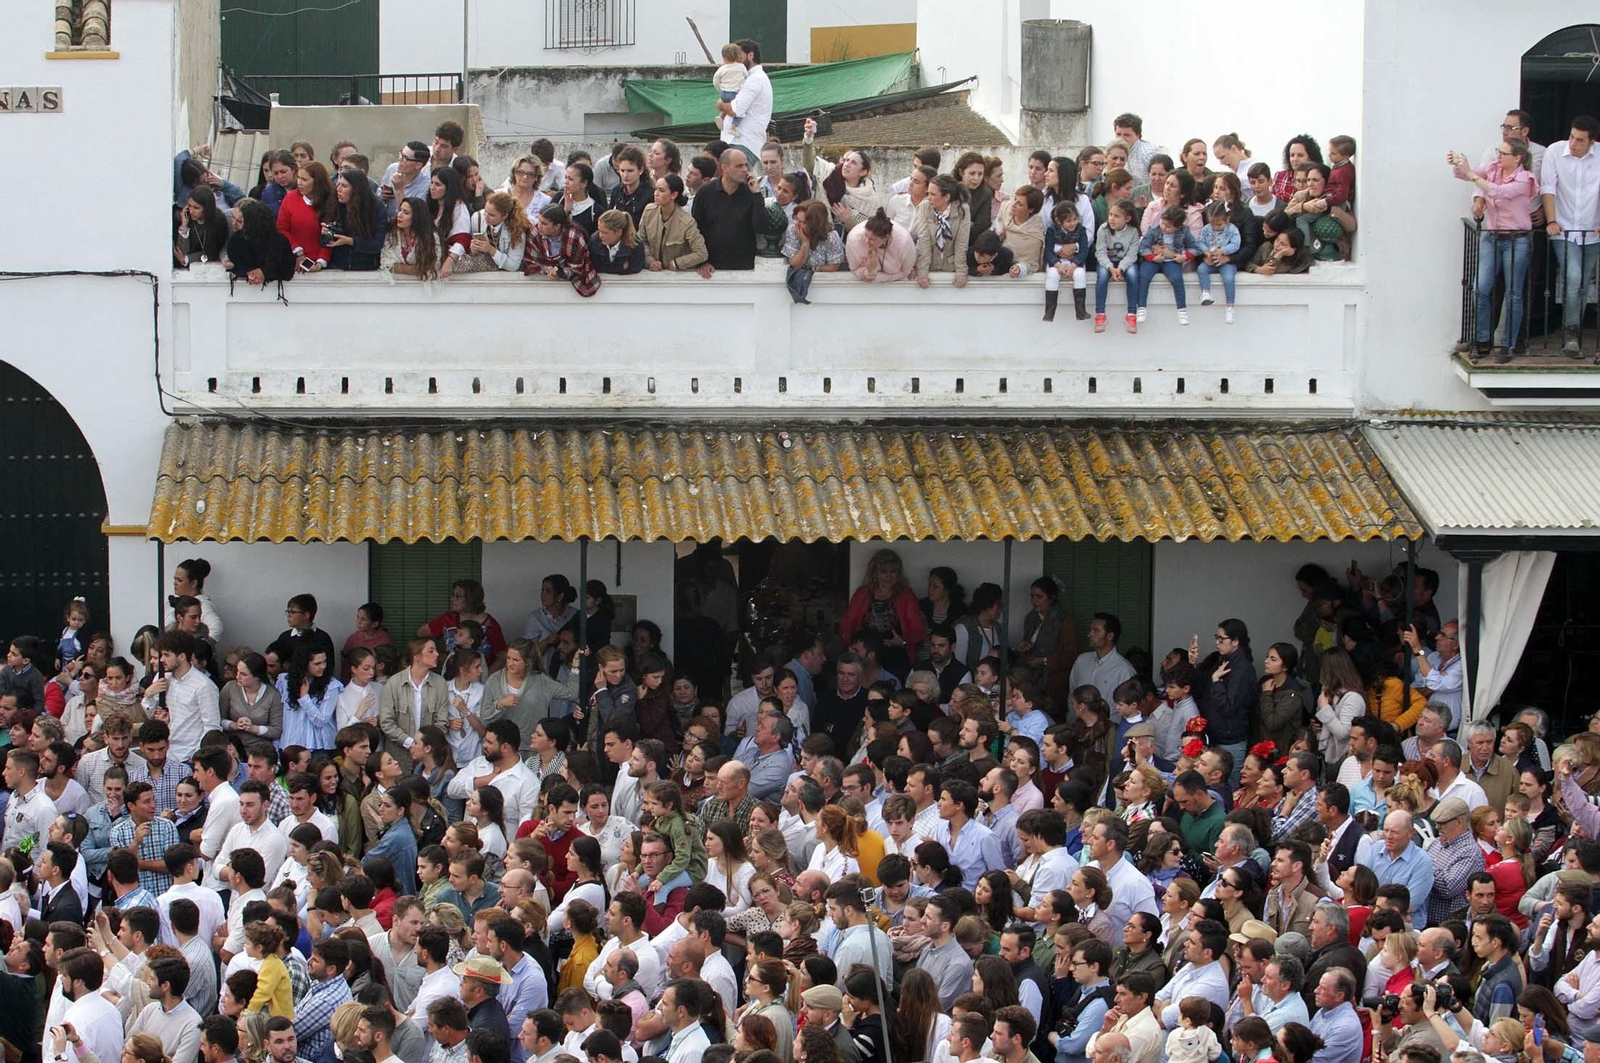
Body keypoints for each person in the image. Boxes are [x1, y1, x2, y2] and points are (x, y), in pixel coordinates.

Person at [1449, 139, 1538, 361]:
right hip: (1493, 238)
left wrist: (1471, 174)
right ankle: (1482, 339)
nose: (1499, 156)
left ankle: (1508, 345)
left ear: (1517, 157)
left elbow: (1498, 192)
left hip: (1517, 240)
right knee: (1480, 288)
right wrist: (1458, 164)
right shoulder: (1492, 169)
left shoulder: (1525, 179)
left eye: (1504, 153)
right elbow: (1463, 174)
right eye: (1499, 152)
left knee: (1514, 294)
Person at [716, 39, 772, 159]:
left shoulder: (755, 79)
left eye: (738, 55)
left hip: (743, 143)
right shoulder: (746, 77)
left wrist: (721, 104)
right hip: (736, 142)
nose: (735, 59)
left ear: (750, 55)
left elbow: (736, 110)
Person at [914, 174, 971, 288]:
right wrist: (922, 273)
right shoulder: (924, 207)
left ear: (946, 197)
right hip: (929, 265)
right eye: (928, 193)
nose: (928, 197)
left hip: (950, 266)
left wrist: (961, 273)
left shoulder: (962, 209)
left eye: (933, 194)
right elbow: (923, 240)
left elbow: (961, 243)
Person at [1093, 198, 1140, 333]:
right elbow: (1100, 252)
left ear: (1127, 218)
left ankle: (1131, 313)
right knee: (1102, 277)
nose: (1112, 219)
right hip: (1107, 262)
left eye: (1117, 216)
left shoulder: (1133, 232)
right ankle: (1100, 313)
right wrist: (1110, 267)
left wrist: (1120, 268)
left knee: (1132, 275)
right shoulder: (1103, 229)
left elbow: (1132, 255)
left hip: (1125, 262)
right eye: (1111, 215)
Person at [223, 198, 296, 286]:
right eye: (233, 218)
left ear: (252, 222)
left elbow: (285, 269)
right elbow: (237, 263)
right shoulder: (236, 240)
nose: (234, 224)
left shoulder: (278, 241)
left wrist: (264, 272)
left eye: (239, 221)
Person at [846, 208, 916, 283]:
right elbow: (854, 269)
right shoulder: (854, 239)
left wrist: (875, 277)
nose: (866, 241)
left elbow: (906, 272)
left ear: (886, 237)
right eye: (865, 235)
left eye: (872, 239)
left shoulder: (904, 242)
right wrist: (871, 271)